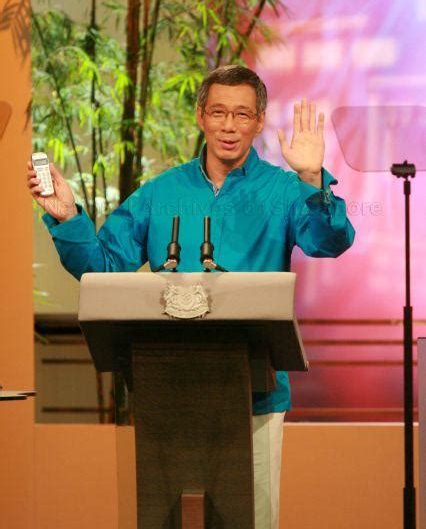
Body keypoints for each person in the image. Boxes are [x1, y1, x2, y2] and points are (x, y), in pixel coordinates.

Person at [27, 64, 355, 529]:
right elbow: (101, 267)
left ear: (259, 121)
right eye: (219, 112)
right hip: (167, 389)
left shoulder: (283, 190)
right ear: (200, 116)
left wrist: (310, 178)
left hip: (254, 399)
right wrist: (67, 218)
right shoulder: (161, 193)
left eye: (242, 115)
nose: (229, 126)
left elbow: (332, 242)